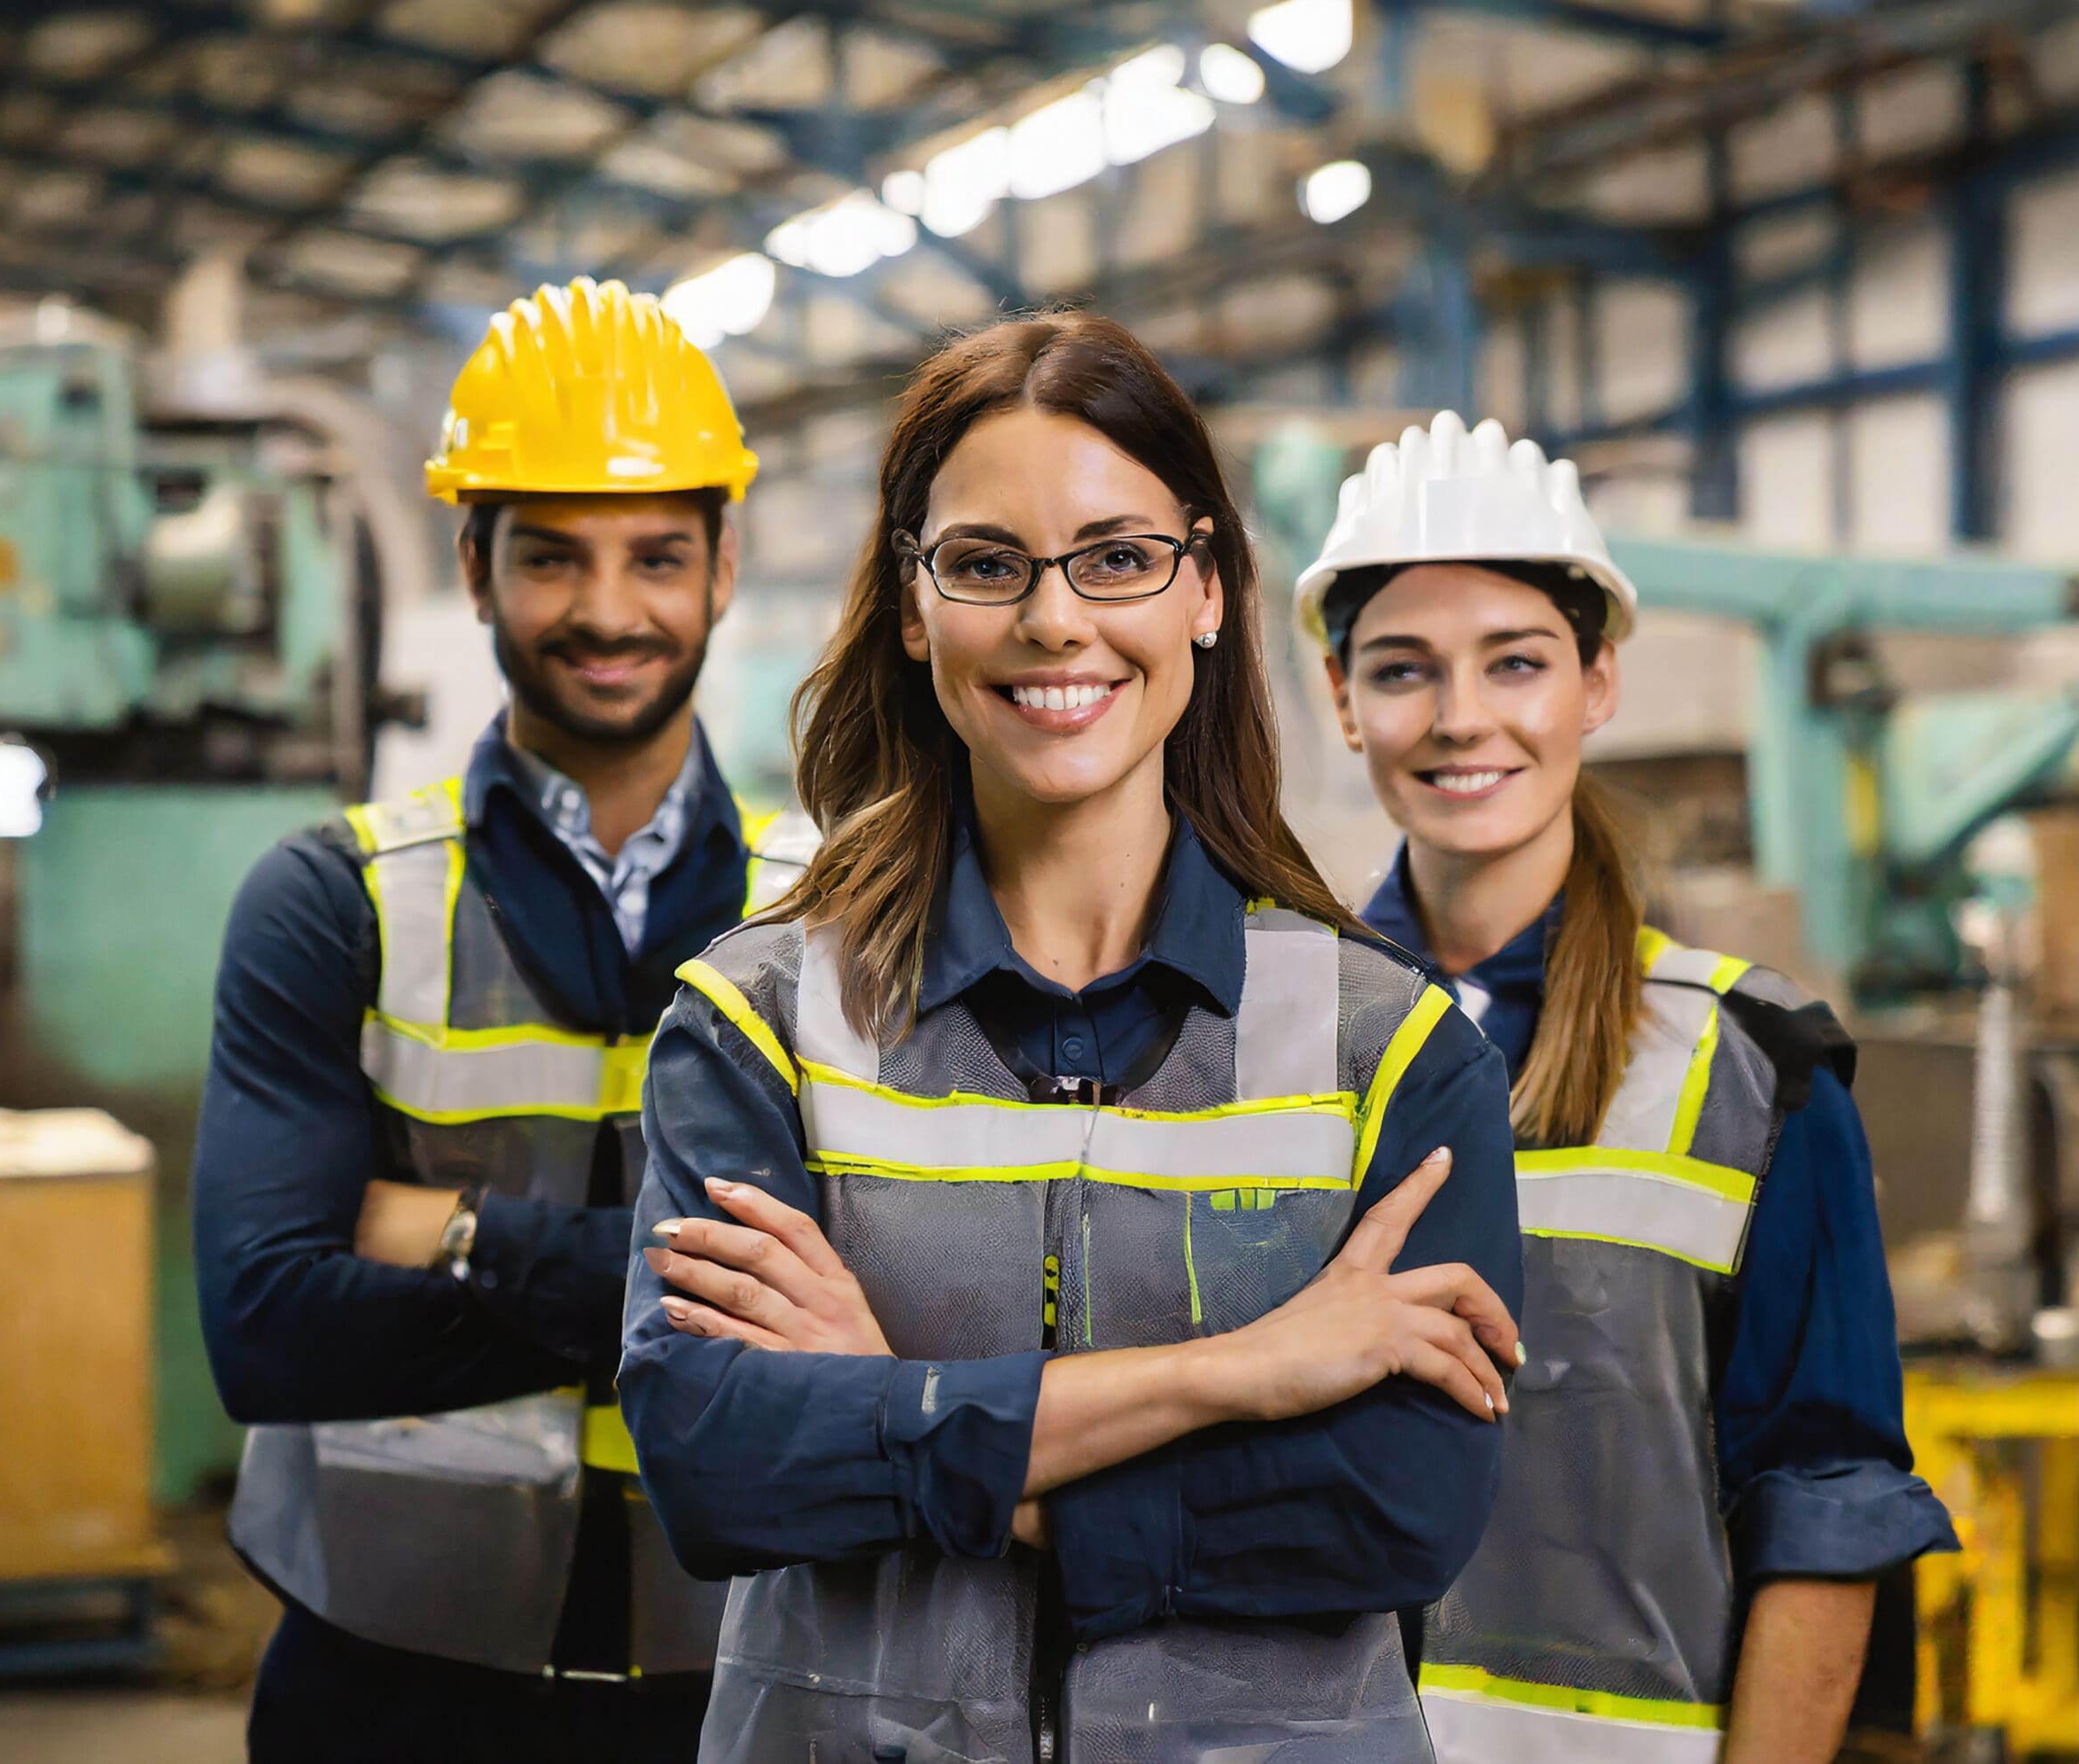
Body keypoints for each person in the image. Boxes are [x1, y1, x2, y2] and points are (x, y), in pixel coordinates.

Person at [613, 312, 1525, 1761]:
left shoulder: (1387, 1048)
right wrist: (1238, 1374)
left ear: (1207, 591)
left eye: (1117, 557)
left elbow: (1400, 1509)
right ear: (914, 610)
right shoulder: (761, 1024)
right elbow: (721, 1469)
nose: (1054, 620)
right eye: (986, 565)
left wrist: (889, 1418)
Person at [194, 277, 806, 1763]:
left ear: (726, 564)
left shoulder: (835, 912)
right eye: (552, 557)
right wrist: (703, 1306)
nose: (609, 611)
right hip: (386, 1692)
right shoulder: (333, 900)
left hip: (737, 1695)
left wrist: (454, 1233)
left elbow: (903, 1321)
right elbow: (269, 1332)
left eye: (658, 555)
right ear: (473, 566)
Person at [1300, 411, 1959, 1764]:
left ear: (1598, 682)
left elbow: (1819, 1505)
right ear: (1339, 698)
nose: (1461, 717)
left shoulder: (1751, 1077)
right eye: (1404, 669)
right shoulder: (1256, 1043)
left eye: (1518, 663)